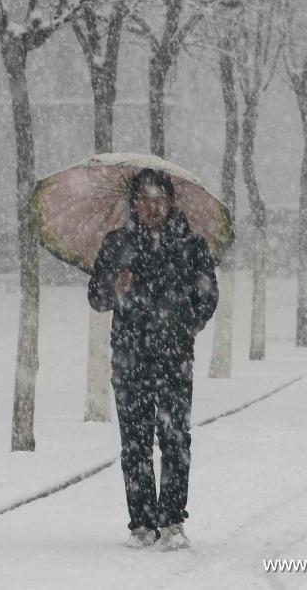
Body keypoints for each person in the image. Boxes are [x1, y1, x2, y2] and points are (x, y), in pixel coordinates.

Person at [88, 167, 219, 551]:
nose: (152, 206)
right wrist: (115, 287)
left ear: (171, 202)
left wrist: (185, 325)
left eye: (159, 199)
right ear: (135, 204)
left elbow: (208, 295)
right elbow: (96, 298)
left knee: (176, 439)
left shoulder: (192, 246)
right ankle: (142, 524)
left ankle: (173, 521)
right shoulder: (117, 245)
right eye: (145, 200)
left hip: (175, 358)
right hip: (130, 359)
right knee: (135, 443)